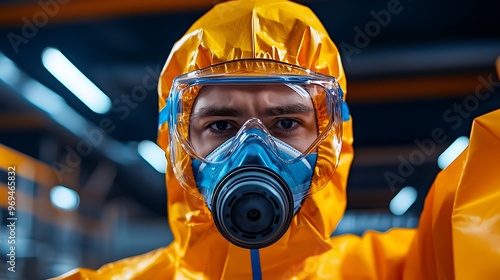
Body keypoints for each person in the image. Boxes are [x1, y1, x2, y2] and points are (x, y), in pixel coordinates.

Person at [54, 0, 500, 279]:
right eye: (222, 126)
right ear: (178, 148)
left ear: (329, 140)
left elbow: (477, 223)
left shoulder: (400, 269)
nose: (252, 153)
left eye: (286, 123)